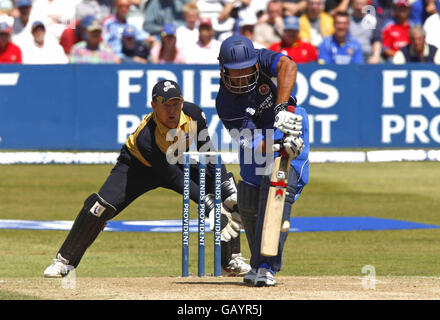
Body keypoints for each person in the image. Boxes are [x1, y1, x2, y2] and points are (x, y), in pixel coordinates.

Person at [43, 79, 251, 278]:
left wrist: (225, 187)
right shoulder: (146, 137)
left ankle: (230, 260)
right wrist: (208, 206)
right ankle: (64, 261)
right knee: (99, 207)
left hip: (175, 160)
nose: (172, 110)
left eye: (176, 103)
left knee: (224, 191)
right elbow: (175, 179)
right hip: (136, 167)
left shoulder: (193, 114)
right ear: (154, 106)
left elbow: (209, 153)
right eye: (166, 105)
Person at [215, 35, 310, 286]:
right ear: (223, 69)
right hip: (259, 139)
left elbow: (288, 66)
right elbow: (255, 145)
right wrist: (279, 145)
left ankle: (266, 267)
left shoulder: (262, 57)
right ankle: (259, 262)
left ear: (255, 63)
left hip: (287, 122)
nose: (242, 77)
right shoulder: (225, 103)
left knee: (278, 186)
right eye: (235, 72)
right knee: (248, 198)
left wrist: (282, 111)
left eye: (247, 69)